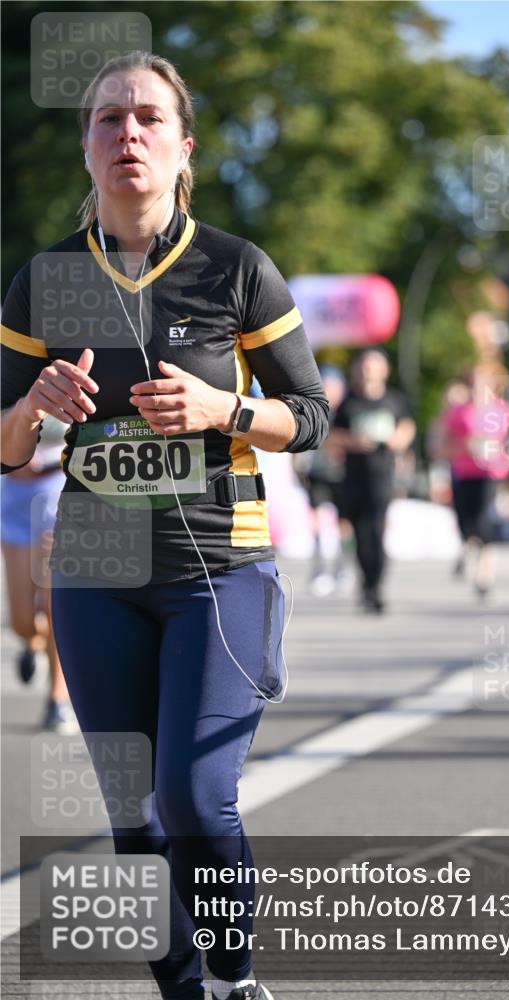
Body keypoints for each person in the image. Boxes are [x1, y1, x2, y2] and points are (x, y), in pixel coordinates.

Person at [0, 51, 328, 1000]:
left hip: (215, 567)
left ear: (184, 148)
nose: (127, 133)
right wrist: (33, 406)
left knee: (192, 796)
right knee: (134, 817)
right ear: (87, 148)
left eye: (147, 118)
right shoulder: (44, 280)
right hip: (97, 566)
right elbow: (5, 444)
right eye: (107, 119)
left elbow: (309, 416)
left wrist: (222, 410)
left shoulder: (236, 268)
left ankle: (235, 978)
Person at [1, 415, 77, 732]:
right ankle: (33, 641)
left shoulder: (67, 371)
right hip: (14, 501)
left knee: (53, 605)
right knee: (22, 622)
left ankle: (57, 699)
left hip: (55, 496)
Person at [330, 348, 415, 612]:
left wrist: (397, 440)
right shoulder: (349, 402)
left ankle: (376, 586)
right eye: (364, 366)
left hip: (382, 476)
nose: (368, 372)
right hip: (353, 477)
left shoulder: (394, 400)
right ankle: (366, 582)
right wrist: (353, 442)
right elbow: (331, 436)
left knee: (376, 531)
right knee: (359, 533)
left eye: (374, 366)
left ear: (384, 371)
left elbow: (407, 427)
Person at [433, 362, 509, 598]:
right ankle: (468, 549)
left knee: (483, 519)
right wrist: (463, 446)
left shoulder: (502, 410)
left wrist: (508, 455)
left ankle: (485, 574)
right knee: (465, 521)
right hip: (463, 470)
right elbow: (441, 443)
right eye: (474, 381)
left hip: (491, 472)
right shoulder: (459, 412)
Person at [293, 365, 351, 595]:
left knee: (344, 523)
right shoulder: (315, 410)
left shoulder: (346, 412)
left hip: (342, 475)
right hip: (317, 473)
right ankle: (319, 568)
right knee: (316, 520)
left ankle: (343, 567)